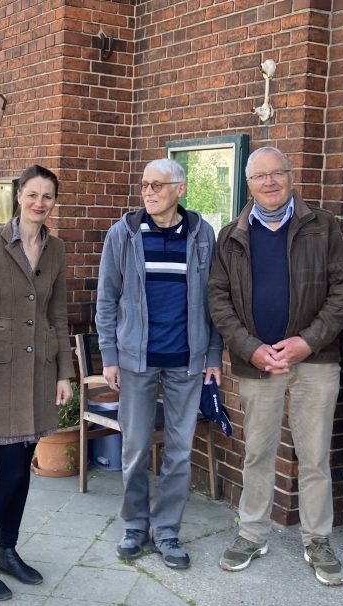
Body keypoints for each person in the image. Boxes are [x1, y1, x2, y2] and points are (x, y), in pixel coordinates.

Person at [208, 146, 343, 585]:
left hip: (315, 362)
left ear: (291, 177)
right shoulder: (231, 234)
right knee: (258, 453)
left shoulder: (322, 225)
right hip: (258, 364)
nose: (269, 183)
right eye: (260, 176)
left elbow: (342, 292)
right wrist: (250, 348)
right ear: (248, 184)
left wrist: (307, 343)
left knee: (314, 457)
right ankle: (252, 533)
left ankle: (318, 539)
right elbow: (218, 298)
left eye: (278, 174)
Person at [95, 158, 223, 570]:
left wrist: (214, 355)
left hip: (187, 360)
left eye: (158, 185)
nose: (148, 192)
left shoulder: (204, 235)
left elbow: (216, 302)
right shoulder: (124, 234)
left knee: (180, 453)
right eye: (145, 185)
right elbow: (106, 301)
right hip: (136, 360)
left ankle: (167, 532)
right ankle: (135, 525)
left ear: (180, 189)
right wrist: (110, 357)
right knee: (133, 450)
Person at [0, 165, 74, 600]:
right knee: (8, 473)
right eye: (32, 194)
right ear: (18, 196)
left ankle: (7, 550)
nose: (39, 203)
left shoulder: (56, 248)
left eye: (47, 196)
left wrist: (65, 373)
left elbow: (58, 316)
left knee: (22, 471)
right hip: (0, 375)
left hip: (39, 373)